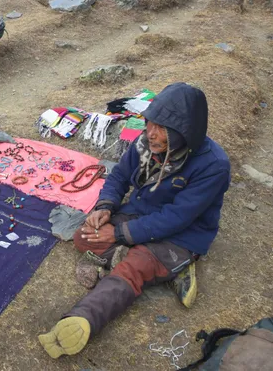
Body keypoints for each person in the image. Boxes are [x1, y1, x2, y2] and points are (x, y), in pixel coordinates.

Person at [38, 83, 231, 359]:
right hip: (142, 214)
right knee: (84, 236)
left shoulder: (213, 165)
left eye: (161, 127)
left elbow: (176, 218)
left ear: (185, 132)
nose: (151, 132)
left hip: (183, 235)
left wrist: (118, 234)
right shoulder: (145, 143)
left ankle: (84, 318)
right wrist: (105, 207)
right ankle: (162, 267)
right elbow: (118, 177)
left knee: (136, 265)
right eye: (150, 122)